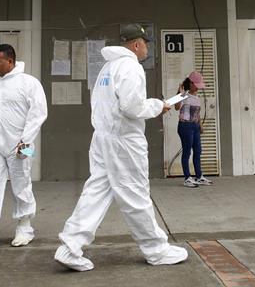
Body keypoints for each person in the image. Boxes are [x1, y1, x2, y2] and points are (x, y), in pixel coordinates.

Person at [55, 23, 188, 271]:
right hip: (124, 141)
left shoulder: (108, 67)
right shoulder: (131, 67)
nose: (147, 47)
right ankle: (156, 249)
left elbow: (105, 103)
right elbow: (132, 107)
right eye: (146, 43)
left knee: (96, 191)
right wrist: (159, 106)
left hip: (103, 138)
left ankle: (70, 245)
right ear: (136, 44)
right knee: (135, 193)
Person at [0, 44, 48, 250]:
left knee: (22, 184)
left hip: (24, 145)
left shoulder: (29, 83)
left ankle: (24, 226)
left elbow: (38, 113)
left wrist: (26, 139)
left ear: (10, 61)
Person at [175, 72, 213, 188]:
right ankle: (187, 178)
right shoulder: (184, 95)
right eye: (196, 85)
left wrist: (200, 125)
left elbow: (197, 113)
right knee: (187, 152)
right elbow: (176, 108)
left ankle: (199, 176)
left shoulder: (196, 96)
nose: (198, 87)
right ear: (191, 83)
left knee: (198, 151)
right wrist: (180, 94)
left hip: (195, 126)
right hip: (185, 126)